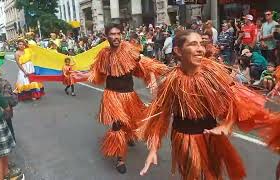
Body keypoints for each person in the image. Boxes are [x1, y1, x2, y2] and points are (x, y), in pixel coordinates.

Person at [140, 30, 278, 179]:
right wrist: (153, 149)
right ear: (178, 51)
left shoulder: (213, 74)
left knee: (211, 175)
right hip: (182, 138)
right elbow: (160, 116)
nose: (200, 49)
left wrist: (227, 125)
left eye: (201, 44)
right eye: (193, 44)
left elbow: (237, 102)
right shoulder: (170, 81)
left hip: (210, 139)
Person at [89, 23, 168, 174]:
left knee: (131, 120)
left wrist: (151, 78)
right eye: (112, 34)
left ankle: (129, 135)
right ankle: (120, 159)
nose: (116, 36)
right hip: (112, 96)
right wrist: (77, 76)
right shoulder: (104, 54)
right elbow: (96, 73)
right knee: (117, 125)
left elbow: (144, 65)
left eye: (118, 33)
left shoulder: (129, 50)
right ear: (106, 36)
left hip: (129, 95)